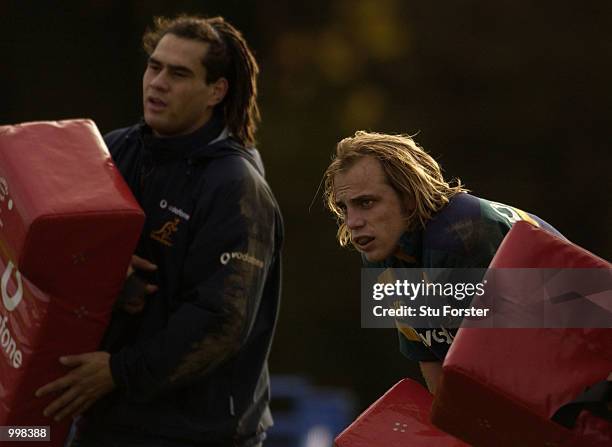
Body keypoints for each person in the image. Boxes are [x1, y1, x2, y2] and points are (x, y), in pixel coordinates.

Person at [36, 15, 283, 447]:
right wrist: (103, 269)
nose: (159, 82)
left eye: (179, 73)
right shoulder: (114, 149)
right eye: (155, 66)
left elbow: (220, 322)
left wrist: (118, 371)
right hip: (104, 419)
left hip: (196, 433)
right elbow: (53, 245)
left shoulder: (236, 188)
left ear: (216, 91)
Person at [323, 131, 560, 394]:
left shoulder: (461, 234)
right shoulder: (384, 254)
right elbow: (431, 355)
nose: (352, 222)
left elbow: (517, 367)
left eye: (366, 202)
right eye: (344, 208)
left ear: (409, 197)